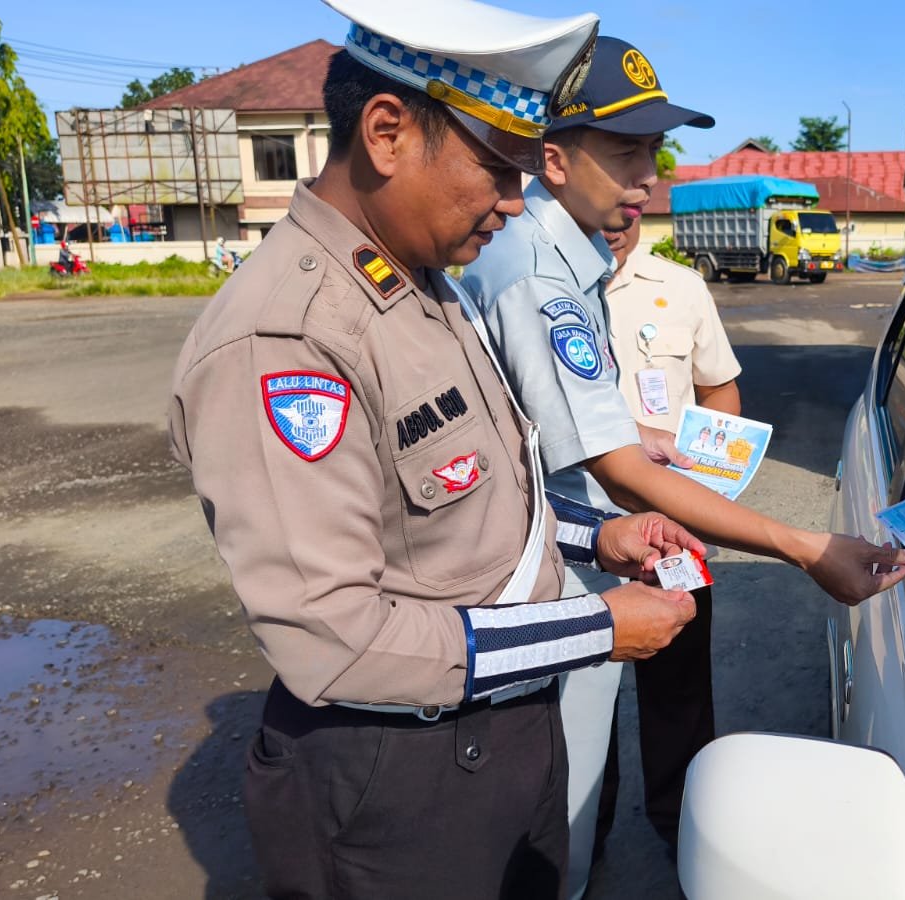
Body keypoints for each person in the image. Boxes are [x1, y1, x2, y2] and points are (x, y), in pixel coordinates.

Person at [165, 4, 706, 897]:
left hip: (500, 736)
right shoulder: (289, 337)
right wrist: (598, 627)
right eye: (498, 169)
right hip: (396, 778)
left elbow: (468, 495)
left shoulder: (422, 281)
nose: (514, 202)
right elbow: (335, 640)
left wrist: (594, 542)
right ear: (386, 132)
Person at [460, 34, 905, 894]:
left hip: (587, 545)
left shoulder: (564, 263)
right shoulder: (540, 277)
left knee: (603, 764)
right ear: (553, 160)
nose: (646, 175)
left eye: (652, 151)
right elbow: (620, 471)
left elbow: (546, 414)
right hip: (550, 567)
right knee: (550, 824)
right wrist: (806, 547)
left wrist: (632, 429)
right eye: (625, 150)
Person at [592, 217, 738, 855]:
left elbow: (719, 389)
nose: (617, 221)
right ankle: (576, 834)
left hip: (673, 532)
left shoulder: (681, 287)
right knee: (576, 685)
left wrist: (711, 474)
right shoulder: (534, 284)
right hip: (576, 531)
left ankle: (682, 824)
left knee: (678, 678)